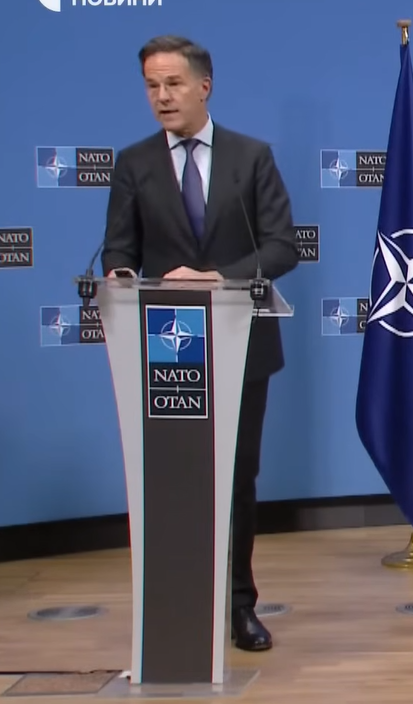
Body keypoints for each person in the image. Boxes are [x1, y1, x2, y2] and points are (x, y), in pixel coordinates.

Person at [102, 35, 298, 652]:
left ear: (203, 86)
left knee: (237, 478)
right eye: (151, 86)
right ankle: (175, 603)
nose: (162, 97)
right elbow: (119, 251)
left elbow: (282, 246)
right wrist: (116, 276)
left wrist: (223, 277)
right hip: (167, 349)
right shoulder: (133, 164)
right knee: (173, 477)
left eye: (173, 84)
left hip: (240, 343)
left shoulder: (251, 157)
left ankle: (240, 604)